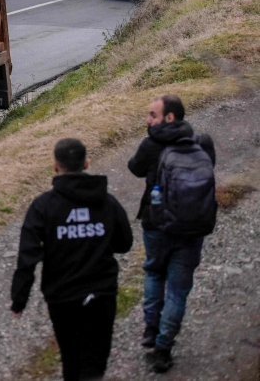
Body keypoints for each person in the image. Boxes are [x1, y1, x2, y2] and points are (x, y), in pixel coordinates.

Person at [11, 139, 133, 381]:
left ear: (55, 166)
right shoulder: (107, 203)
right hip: (102, 295)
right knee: (94, 364)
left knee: (71, 359)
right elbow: (124, 243)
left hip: (62, 297)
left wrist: (19, 299)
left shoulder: (43, 207)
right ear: (86, 163)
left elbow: (28, 256)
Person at [128, 94, 216, 373]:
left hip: (156, 224)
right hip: (192, 227)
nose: (147, 120)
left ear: (169, 117)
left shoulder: (152, 144)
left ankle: (151, 332)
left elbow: (134, 168)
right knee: (179, 290)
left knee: (155, 273)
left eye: (152, 115)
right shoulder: (199, 142)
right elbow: (208, 169)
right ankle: (163, 348)